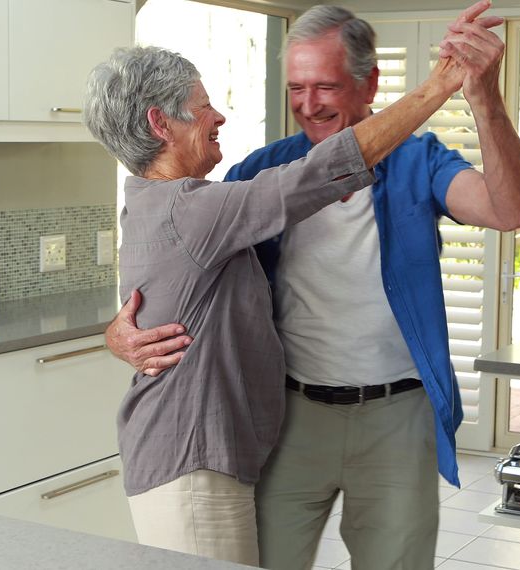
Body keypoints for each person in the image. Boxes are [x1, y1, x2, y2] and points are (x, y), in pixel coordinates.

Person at [82, 9, 483, 564]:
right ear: (160, 124)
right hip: (193, 457)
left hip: (202, 450)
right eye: (203, 109)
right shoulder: (194, 209)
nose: (219, 115)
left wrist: (115, 335)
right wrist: (441, 83)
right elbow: (321, 173)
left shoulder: (163, 205)